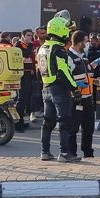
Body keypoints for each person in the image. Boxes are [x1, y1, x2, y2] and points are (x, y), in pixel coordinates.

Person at [37, 15, 85, 162]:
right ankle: (64, 154)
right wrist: (75, 88)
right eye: (67, 30)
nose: (69, 34)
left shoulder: (43, 47)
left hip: (46, 87)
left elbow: (39, 71)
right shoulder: (58, 49)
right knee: (64, 121)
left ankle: (45, 152)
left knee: (48, 122)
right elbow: (63, 71)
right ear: (60, 30)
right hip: (59, 89)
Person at [68, 30, 99, 158]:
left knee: (88, 127)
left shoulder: (83, 56)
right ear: (80, 43)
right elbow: (66, 77)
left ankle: (88, 151)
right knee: (73, 128)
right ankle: (71, 153)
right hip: (76, 98)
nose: (87, 44)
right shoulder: (68, 57)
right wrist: (75, 86)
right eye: (86, 41)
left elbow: (87, 73)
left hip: (88, 98)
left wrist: (94, 80)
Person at [14, 28, 36, 132]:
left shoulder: (28, 46)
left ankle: (21, 121)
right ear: (22, 35)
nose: (30, 37)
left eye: (31, 35)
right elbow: (26, 54)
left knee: (25, 98)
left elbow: (30, 58)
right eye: (28, 35)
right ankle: (17, 124)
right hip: (21, 75)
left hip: (27, 74)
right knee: (21, 99)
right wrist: (31, 46)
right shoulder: (19, 45)